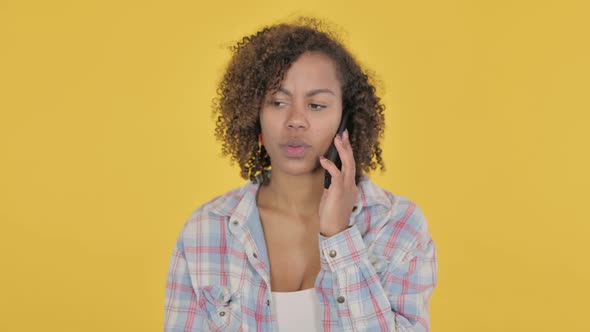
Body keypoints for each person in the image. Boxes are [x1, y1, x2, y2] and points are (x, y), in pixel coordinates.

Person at [164, 17, 437, 332]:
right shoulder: (206, 230)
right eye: (278, 102)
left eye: (317, 105)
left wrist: (339, 237)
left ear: (346, 119)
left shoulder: (398, 226)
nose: (296, 121)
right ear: (255, 116)